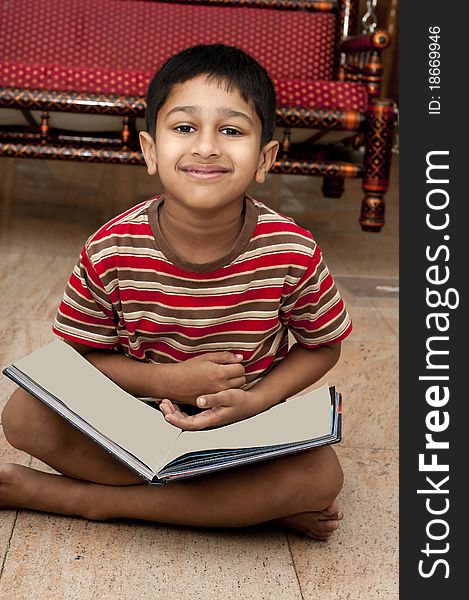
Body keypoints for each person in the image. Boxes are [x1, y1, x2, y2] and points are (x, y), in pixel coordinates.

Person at [1, 44, 352, 540]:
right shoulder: (111, 248)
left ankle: (80, 498)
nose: (206, 147)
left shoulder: (291, 249)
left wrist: (254, 403)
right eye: (185, 128)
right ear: (149, 150)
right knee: (24, 415)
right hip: (130, 418)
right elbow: (76, 361)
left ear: (265, 158)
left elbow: (324, 344)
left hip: (239, 429)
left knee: (321, 476)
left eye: (231, 130)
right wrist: (169, 381)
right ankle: (234, 506)